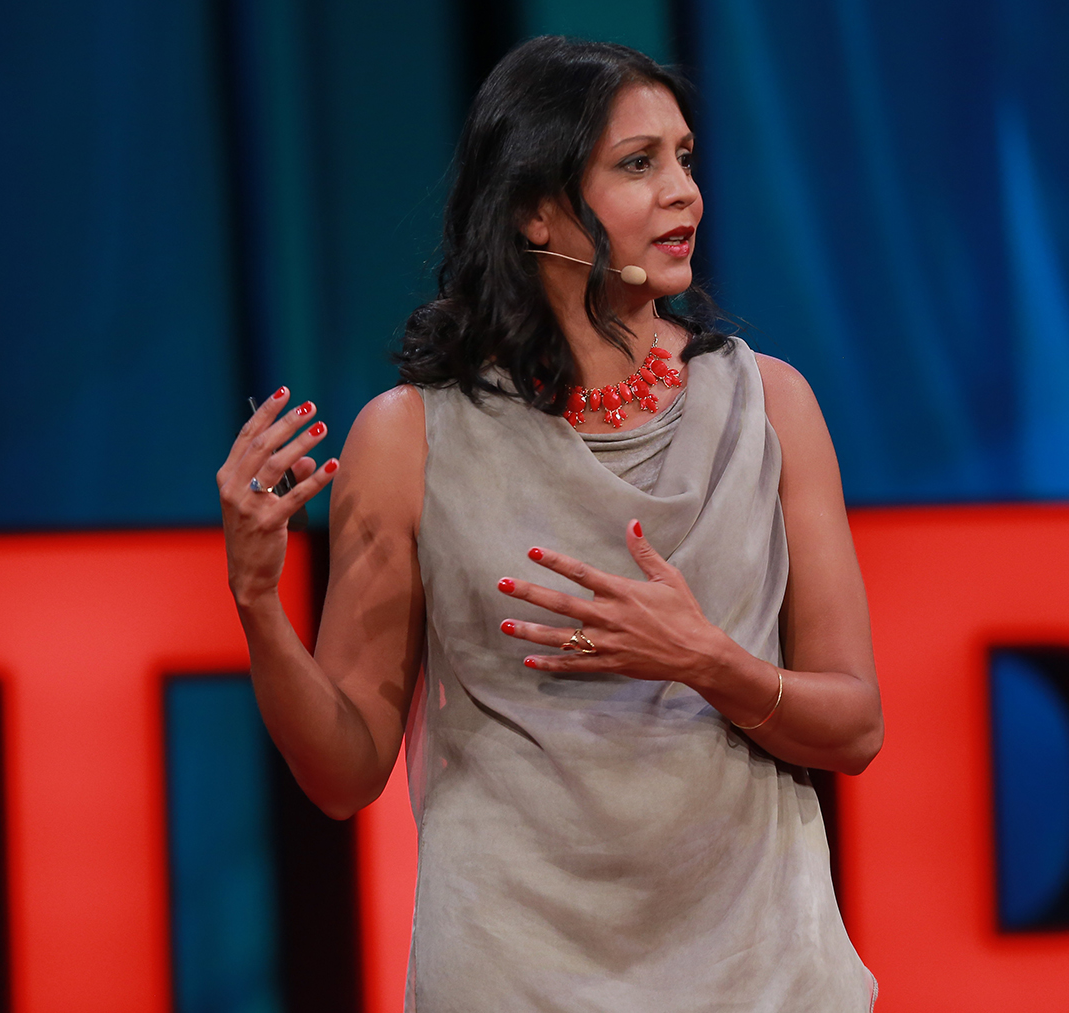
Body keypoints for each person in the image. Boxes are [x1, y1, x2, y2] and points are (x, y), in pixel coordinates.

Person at [218, 36, 882, 1011]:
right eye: (638, 163)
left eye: (686, 157)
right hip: (510, 978)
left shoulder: (771, 408)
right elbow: (343, 771)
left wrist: (708, 660)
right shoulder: (413, 442)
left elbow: (855, 724)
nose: (685, 193)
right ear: (536, 207)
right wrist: (255, 600)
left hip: (764, 975)